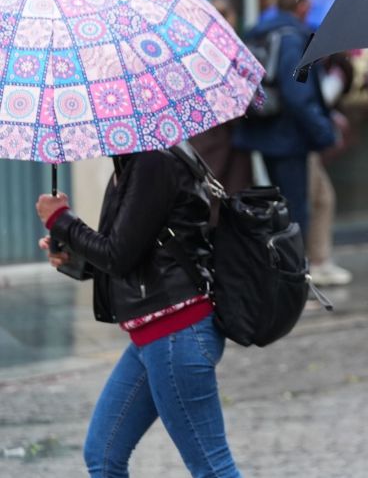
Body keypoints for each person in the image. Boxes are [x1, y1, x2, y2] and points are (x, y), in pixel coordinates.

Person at [35, 149, 240, 477]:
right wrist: (73, 255)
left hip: (176, 333)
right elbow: (131, 251)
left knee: (212, 467)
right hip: (154, 336)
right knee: (103, 454)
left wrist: (60, 219)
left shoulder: (153, 162)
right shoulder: (131, 162)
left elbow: (118, 255)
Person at [235, 0, 337, 240]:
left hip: (264, 129)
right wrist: (323, 131)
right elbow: (297, 93)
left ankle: (283, 268)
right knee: (294, 212)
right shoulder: (294, 39)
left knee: (278, 207)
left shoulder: (259, 32)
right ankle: (293, 273)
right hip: (288, 137)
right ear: (302, 7)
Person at [190, 0, 253, 197]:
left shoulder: (192, 52)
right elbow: (236, 102)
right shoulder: (224, 56)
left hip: (200, 139)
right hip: (223, 142)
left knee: (206, 194)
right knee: (223, 197)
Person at [307, 52, 355, 286]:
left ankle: (318, 260)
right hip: (301, 143)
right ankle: (314, 263)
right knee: (316, 199)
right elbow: (312, 99)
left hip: (299, 142)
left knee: (322, 198)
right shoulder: (295, 43)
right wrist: (322, 130)